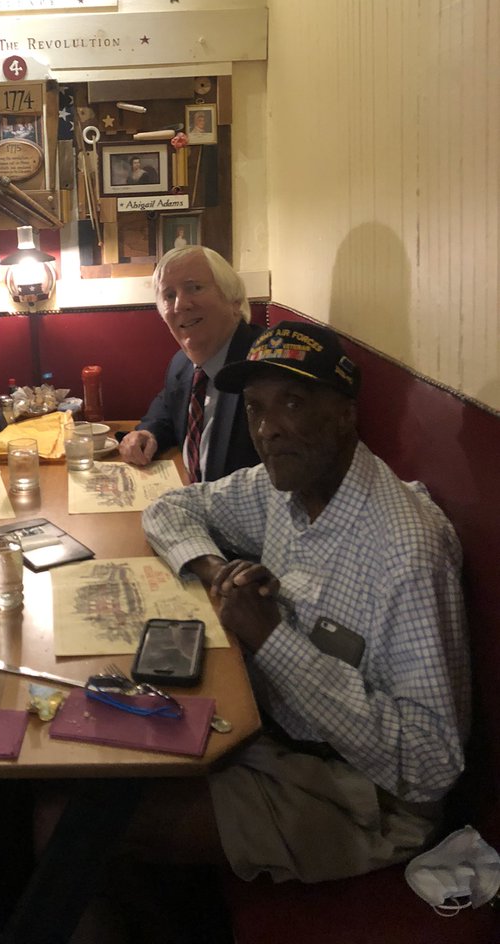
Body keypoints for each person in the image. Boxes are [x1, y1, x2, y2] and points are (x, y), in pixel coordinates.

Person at [135, 321, 470, 887]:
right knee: (105, 776)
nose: (268, 429)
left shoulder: (405, 552)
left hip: (364, 798)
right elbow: (168, 510)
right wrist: (219, 574)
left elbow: (430, 766)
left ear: (344, 413)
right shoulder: (281, 487)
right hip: (267, 736)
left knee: (72, 826)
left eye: (292, 402)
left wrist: (272, 638)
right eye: (255, 408)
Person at [119, 245, 262, 479]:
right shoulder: (183, 363)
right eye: (169, 295)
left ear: (233, 300)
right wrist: (149, 432)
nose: (179, 305)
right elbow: (168, 402)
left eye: (194, 288)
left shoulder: (262, 368)